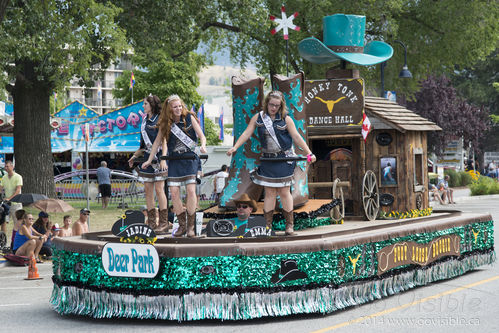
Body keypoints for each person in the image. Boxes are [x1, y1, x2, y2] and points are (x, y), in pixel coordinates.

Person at [226, 91, 316, 235]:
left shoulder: (286, 119)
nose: (273, 108)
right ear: (266, 103)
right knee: (269, 193)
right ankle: (267, 227)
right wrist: (235, 147)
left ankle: (289, 226)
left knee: (285, 192)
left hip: (283, 159)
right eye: (271, 104)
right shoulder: (258, 118)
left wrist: (309, 152)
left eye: (276, 105)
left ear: (281, 106)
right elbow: (246, 133)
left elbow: (297, 137)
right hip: (268, 159)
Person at [142, 95, 207, 238]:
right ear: (169, 109)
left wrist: (203, 146)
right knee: (174, 193)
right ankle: (182, 225)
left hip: (189, 159)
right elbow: (156, 143)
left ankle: (191, 227)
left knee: (190, 191)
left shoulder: (189, 117)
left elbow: (202, 136)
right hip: (174, 160)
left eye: (180, 106)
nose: (178, 109)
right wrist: (149, 160)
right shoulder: (165, 123)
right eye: (175, 107)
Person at [128, 95, 169, 233]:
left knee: (159, 189)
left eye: (145, 104)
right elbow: (143, 145)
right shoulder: (144, 122)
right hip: (147, 157)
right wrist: (134, 156)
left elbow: (164, 141)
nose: (143, 106)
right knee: (147, 191)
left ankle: (163, 223)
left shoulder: (160, 119)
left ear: (152, 105)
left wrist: (163, 158)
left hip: (159, 157)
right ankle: (151, 223)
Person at [0, 160, 23, 242]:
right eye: (5, 167)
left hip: (16, 204)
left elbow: (17, 191)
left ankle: (17, 241)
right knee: (3, 222)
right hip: (6, 204)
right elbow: (0, 188)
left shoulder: (18, 177)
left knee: (17, 223)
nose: (6, 168)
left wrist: (9, 198)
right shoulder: (4, 177)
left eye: (7, 166)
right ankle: (3, 240)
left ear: (12, 167)